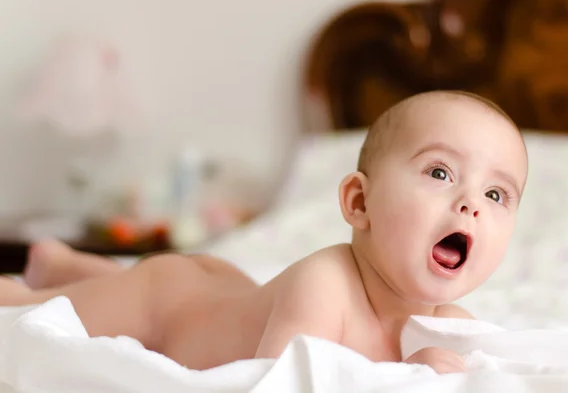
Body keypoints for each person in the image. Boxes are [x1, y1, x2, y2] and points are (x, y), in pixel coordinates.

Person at [1, 90, 528, 374]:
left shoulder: (452, 324)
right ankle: (37, 280)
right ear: (359, 201)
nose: (470, 204)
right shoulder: (325, 284)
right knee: (33, 307)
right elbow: (280, 381)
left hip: (224, 288)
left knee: (186, 281)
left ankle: (67, 263)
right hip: (164, 306)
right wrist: (407, 376)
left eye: (496, 194)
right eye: (440, 173)